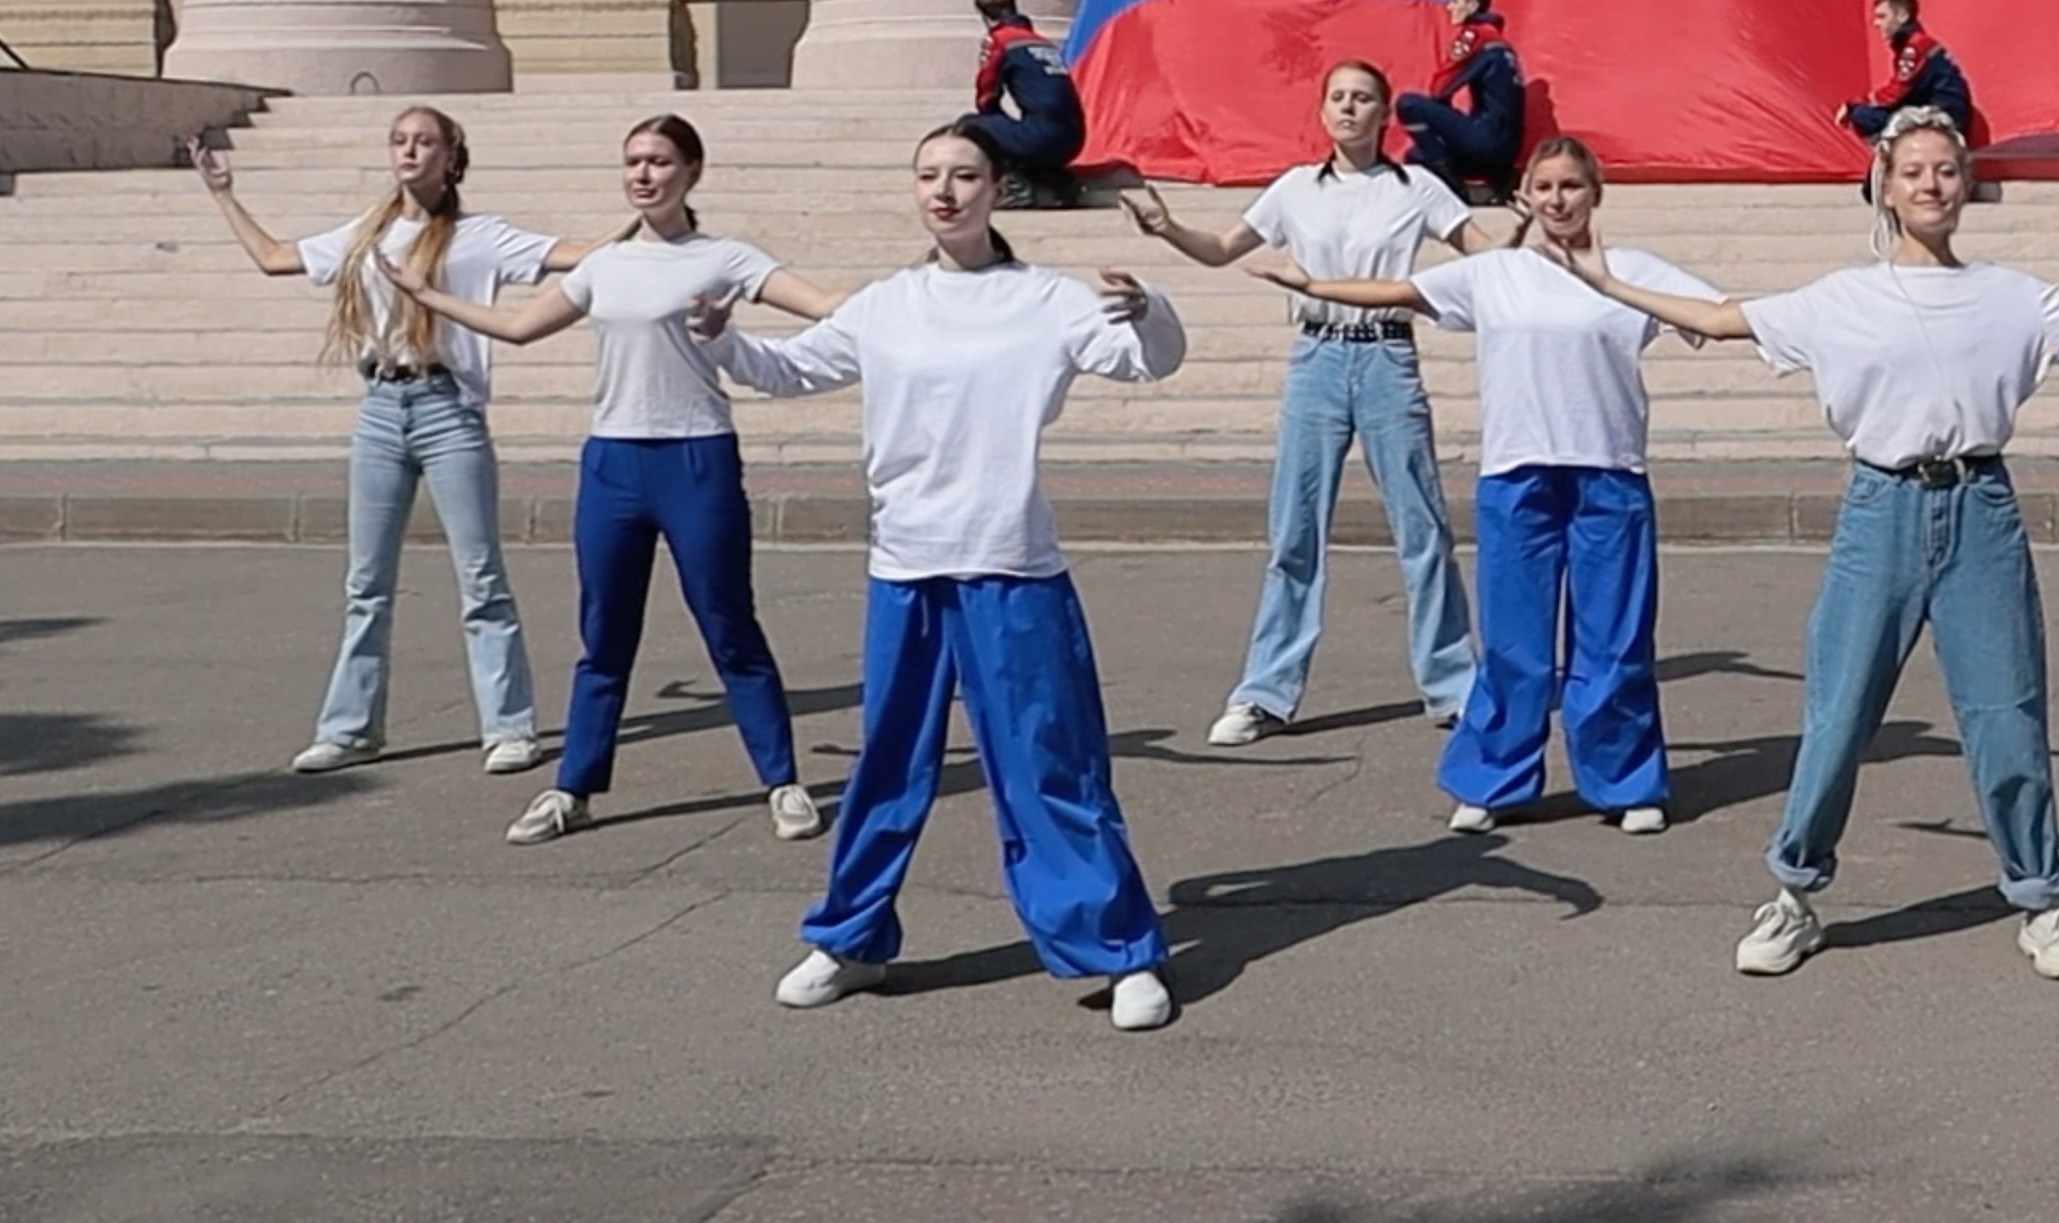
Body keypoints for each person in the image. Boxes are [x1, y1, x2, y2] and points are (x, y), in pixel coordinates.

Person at [1556, 105, 2059, 981]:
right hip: (1880, 510)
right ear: (1885, 189)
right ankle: (1794, 895)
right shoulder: (1841, 297)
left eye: (1945, 170)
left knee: (2006, 714)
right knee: (1839, 713)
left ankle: (2045, 900)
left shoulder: (2013, 294)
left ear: (1965, 184)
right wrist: (1605, 279)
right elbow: (1725, 316)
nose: (1932, 184)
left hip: (1982, 509)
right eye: (1914, 172)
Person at [697, 125, 1187, 1032]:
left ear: (998, 187)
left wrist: (1150, 307)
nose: (945, 191)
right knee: (890, 758)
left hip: (1011, 565)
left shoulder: (1046, 299)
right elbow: (795, 367)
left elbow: (1148, 360)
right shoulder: (887, 303)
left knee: (1049, 760)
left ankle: (1118, 950)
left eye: (964, 175)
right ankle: (851, 938)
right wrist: (727, 342)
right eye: (928, 175)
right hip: (907, 564)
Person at [373, 115, 844, 847]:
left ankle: (782, 781)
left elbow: (826, 309)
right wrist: (424, 296)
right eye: (633, 162)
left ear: (692, 170)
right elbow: (520, 328)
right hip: (613, 465)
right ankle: (573, 788)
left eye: (659, 161)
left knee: (729, 625)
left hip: (696, 459)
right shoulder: (605, 263)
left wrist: (917, 295)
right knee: (603, 636)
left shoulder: (726, 257)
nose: (644, 174)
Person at [1260, 135, 1716, 835]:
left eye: (1573, 186)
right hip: (1517, 476)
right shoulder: (1494, 272)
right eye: (1546, 187)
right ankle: (1495, 778)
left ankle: (1626, 782)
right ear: (1525, 197)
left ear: (1595, 193)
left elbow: (1717, 316)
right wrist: (1313, 286)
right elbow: (1399, 292)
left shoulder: (1635, 270)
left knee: (1614, 640)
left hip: (1608, 475)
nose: (1560, 199)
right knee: (1514, 640)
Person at [192, 109, 569, 778]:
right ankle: (350, 728)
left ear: (452, 157)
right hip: (380, 409)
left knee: (481, 577)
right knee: (366, 583)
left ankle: (508, 726)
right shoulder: (367, 234)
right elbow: (275, 257)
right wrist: (223, 192)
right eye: (400, 140)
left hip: (448, 410)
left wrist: (653, 221)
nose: (410, 151)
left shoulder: (480, 237)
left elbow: (571, 256)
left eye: (425, 141)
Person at [1122, 61, 1492, 741]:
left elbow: (1485, 257)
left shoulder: (1419, 188)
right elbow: (1222, 249)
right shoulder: (1295, 189)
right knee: (1295, 531)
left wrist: (1530, 241)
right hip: (1318, 357)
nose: (1349, 108)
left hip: (1387, 354)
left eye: (1363, 98)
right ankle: (1266, 690)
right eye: (1338, 97)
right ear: (1322, 111)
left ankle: (1453, 684)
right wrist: (1165, 226)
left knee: (1423, 527)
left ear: (1385, 114)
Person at [1396, 0, 1527, 205]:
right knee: (1416, 156)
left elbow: (1440, 89)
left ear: (1473, 5)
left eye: (1455, 1)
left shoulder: (1475, 34)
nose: (1449, 7)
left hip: (1487, 140)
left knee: (1408, 104)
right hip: (1508, 149)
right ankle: (1497, 180)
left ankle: (1455, 189)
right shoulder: (1503, 44)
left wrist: (1440, 118)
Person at [963, 0, 1087, 210]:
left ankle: (1016, 188)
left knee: (970, 126)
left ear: (985, 15)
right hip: (1075, 138)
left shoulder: (1000, 40)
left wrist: (995, 128)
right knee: (1023, 130)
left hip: (1042, 137)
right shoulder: (1042, 41)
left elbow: (987, 93)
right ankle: (1057, 179)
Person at [1837, 0, 1973, 144]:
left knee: (1863, 116)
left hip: (1943, 120)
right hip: (1937, 114)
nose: (1876, 24)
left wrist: (1852, 105)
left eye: (1882, 17)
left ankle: (1894, 158)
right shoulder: (1913, 45)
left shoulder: (1916, 47)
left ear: (1902, 16)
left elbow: (1894, 94)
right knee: (1869, 115)